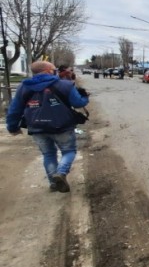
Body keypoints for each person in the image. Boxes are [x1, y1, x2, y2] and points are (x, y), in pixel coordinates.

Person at [5, 61, 89, 193]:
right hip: (62, 126)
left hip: (37, 127)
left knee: (48, 154)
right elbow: (78, 103)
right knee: (69, 151)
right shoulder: (64, 85)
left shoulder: (24, 87)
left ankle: (54, 183)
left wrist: (12, 127)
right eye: (54, 69)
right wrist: (84, 96)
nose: (55, 71)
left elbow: (15, 109)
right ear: (48, 70)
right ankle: (61, 173)